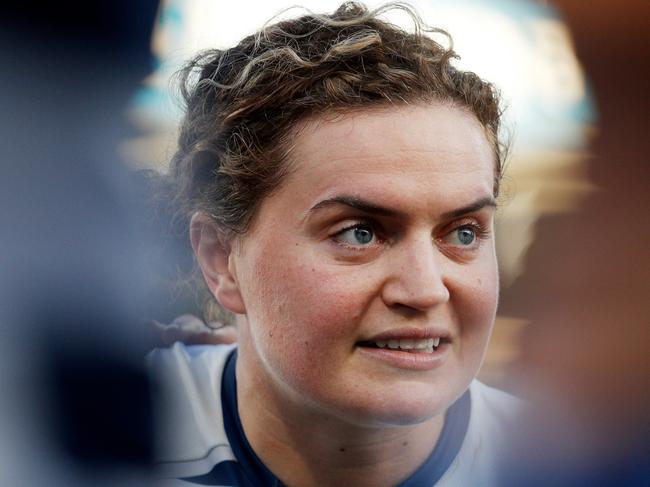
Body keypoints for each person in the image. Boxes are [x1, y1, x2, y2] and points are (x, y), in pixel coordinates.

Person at [147, 2, 520, 486]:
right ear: (221, 259)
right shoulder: (77, 433)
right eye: (359, 233)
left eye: (463, 233)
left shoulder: (571, 465)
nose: (426, 290)